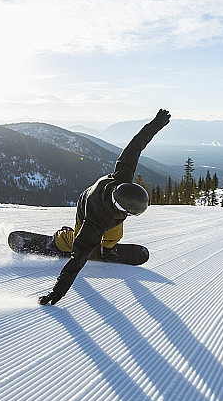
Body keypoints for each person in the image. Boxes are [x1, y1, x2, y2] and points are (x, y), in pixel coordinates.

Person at [38, 109, 171, 305]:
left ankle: (108, 248)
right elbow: (77, 261)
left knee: (114, 236)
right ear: (123, 209)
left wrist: (156, 124)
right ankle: (59, 240)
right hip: (86, 207)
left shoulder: (122, 177)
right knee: (78, 244)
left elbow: (136, 145)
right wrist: (58, 292)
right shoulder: (95, 223)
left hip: (104, 205)